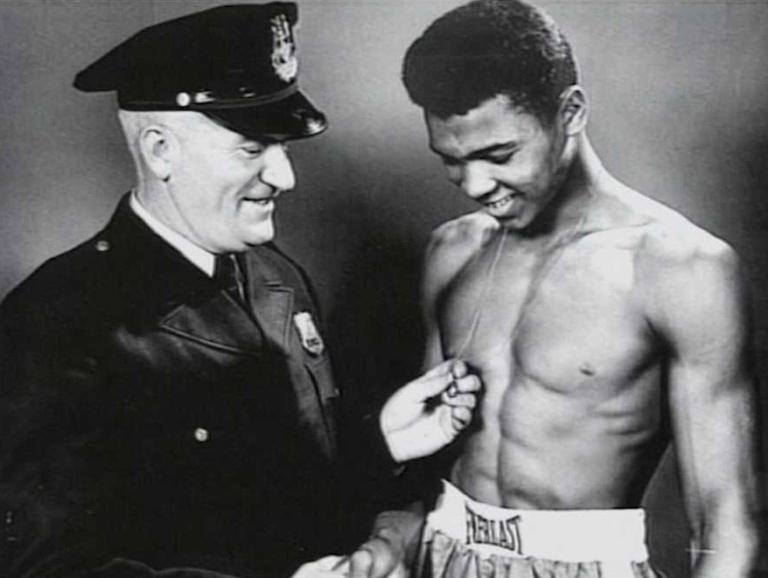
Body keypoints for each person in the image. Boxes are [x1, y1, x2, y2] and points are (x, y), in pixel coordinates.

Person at [0, 4, 481, 578]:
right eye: (252, 149)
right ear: (159, 151)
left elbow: (272, 493)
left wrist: (380, 446)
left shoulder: (279, 281)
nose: (285, 176)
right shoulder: (55, 320)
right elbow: (45, 566)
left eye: (284, 147)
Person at [345, 1, 762, 577]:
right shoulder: (452, 252)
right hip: (442, 557)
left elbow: (725, 520)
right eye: (451, 161)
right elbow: (424, 468)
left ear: (570, 112)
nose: (475, 184)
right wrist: (387, 545)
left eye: (499, 155)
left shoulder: (679, 268)